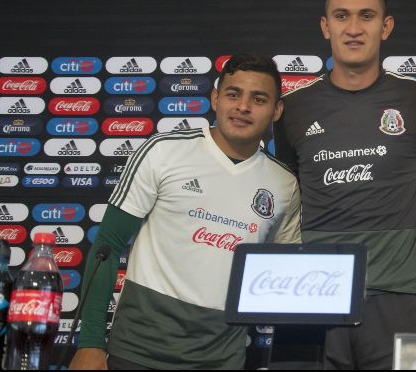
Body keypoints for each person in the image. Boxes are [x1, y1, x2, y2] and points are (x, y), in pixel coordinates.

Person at [69, 53, 301, 370]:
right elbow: (106, 247)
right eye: (233, 94)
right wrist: (91, 344)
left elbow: (281, 281)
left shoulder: (284, 184)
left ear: (277, 110)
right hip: (137, 353)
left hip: (222, 361)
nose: (243, 107)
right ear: (216, 98)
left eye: (258, 99)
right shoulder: (164, 151)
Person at [272, 0, 416, 369]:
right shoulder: (292, 109)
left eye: (366, 16)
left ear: (386, 26)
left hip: (394, 296)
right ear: (325, 26)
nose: (354, 28)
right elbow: (282, 201)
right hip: (311, 289)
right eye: (341, 16)